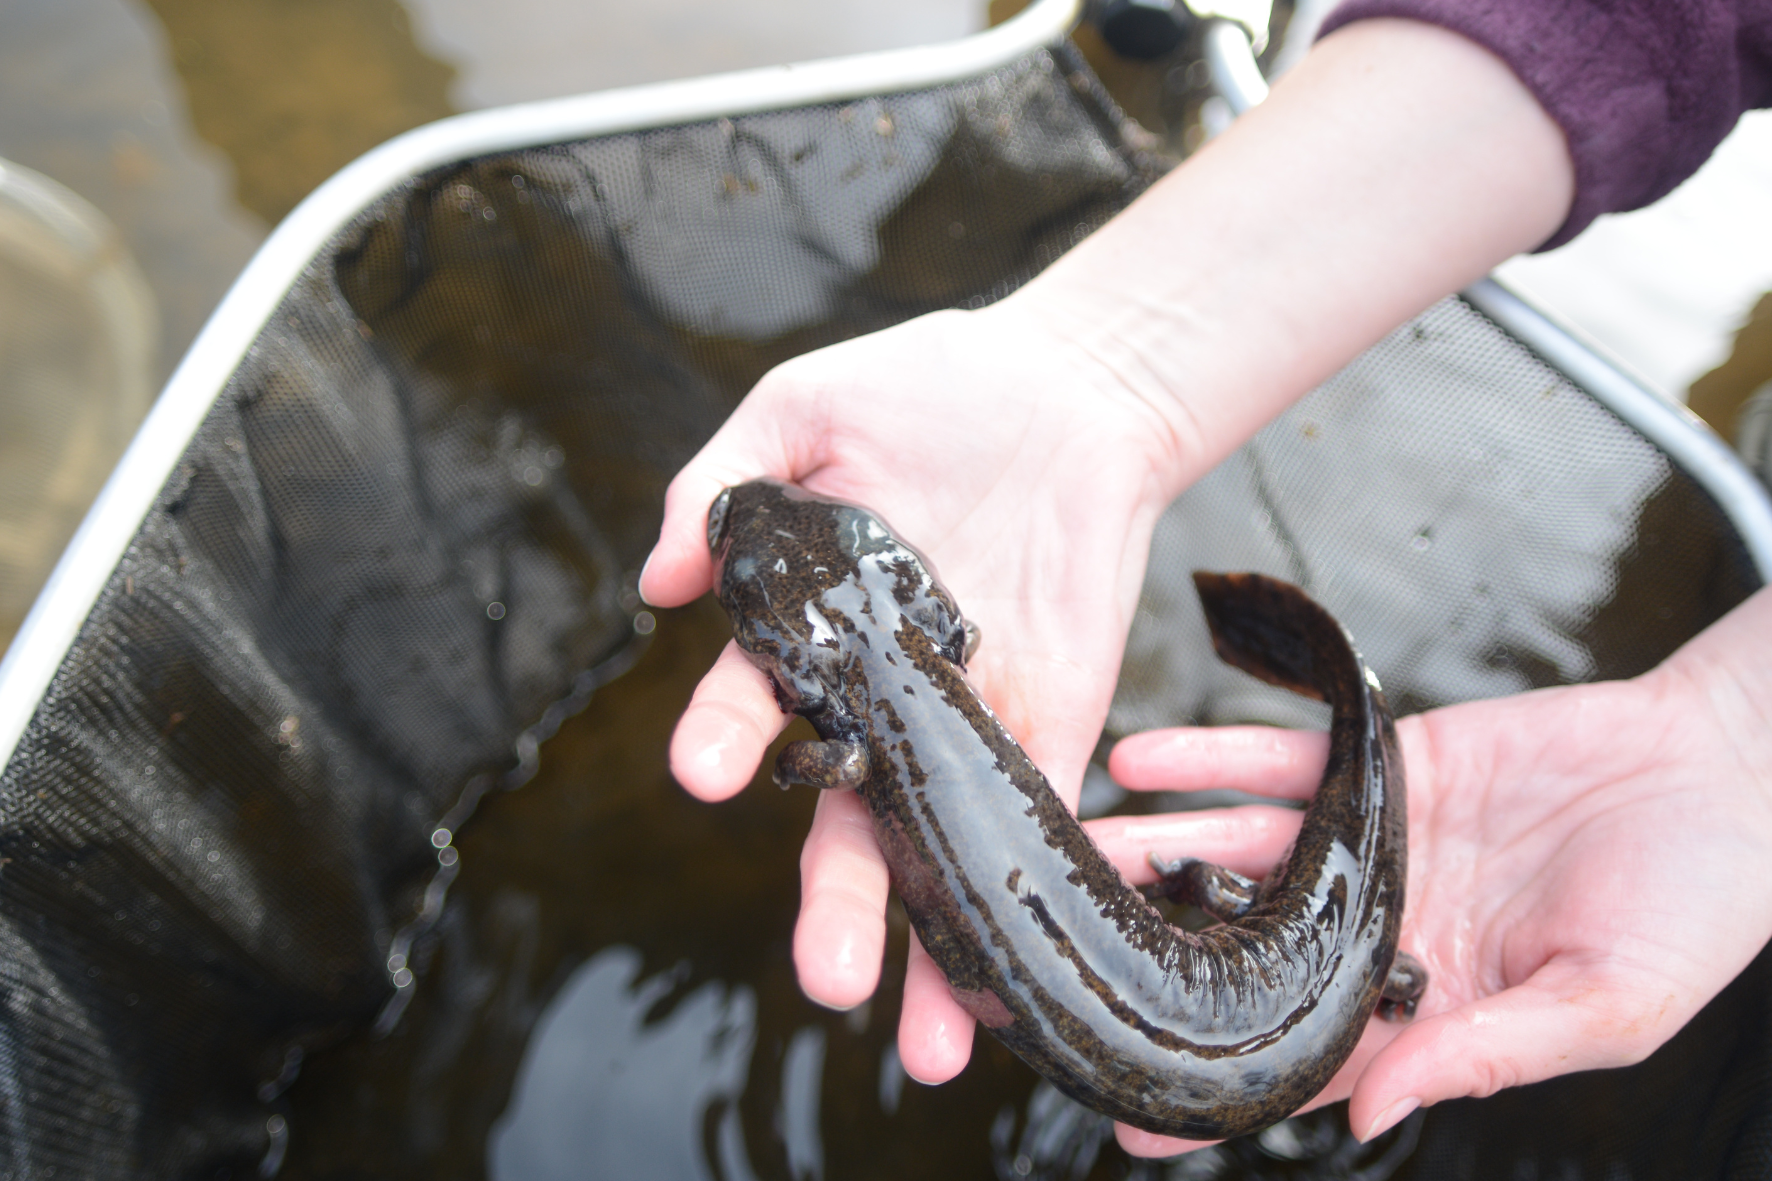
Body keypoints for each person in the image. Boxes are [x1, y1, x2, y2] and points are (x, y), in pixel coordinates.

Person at [638, 1, 1772, 1159]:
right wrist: (1737, 731)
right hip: (1288, 977)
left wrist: (1743, 738)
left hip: (1330, 983)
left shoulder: (863, 727)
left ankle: (1341, 798)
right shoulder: (871, 712)